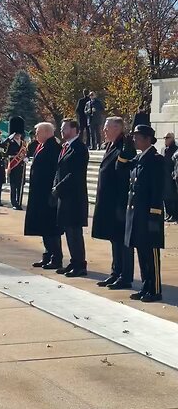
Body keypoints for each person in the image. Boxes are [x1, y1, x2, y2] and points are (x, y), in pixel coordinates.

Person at [117, 125, 165, 302]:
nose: (135, 140)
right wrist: (126, 150)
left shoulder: (156, 159)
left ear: (146, 139)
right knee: (141, 252)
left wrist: (154, 215)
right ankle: (146, 286)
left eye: (137, 137)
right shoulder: (138, 158)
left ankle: (155, 289)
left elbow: (157, 190)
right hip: (136, 214)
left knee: (151, 254)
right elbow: (119, 169)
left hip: (148, 215)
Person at [92, 117, 135, 289]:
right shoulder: (111, 145)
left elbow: (124, 176)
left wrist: (120, 205)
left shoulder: (124, 147)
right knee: (114, 239)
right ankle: (115, 272)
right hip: (109, 202)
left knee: (122, 242)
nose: (104, 131)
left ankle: (125, 277)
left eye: (107, 128)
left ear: (117, 128)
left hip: (119, 203)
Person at [51, 119, 89, 277]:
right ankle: (74, 262)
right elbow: (59, 170)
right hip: (64, 197)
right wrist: (55, 184)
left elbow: (75, 174)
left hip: (74, 197)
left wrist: (59, 187)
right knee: (68, 231)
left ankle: (80, 265)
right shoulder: (65, 147)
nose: (61, 131)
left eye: (64, 128)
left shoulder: (79, 148)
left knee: (75, 232)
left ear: (74, 130)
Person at [24, 122, 62, 269]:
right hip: (39, 192)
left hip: (47, 193)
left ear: (46, 132)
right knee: (43, 227)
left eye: (38, 132)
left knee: (50, 227)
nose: (36, 135)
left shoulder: (53, 148)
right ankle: (47, 255)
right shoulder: (42, 145)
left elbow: (53, 171)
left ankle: (56, 257)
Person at [0, 116, 27, 210]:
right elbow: (2, 146)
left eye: (19, 133)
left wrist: (25, 158)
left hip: (21, 166)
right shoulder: (9, 142)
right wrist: (8, 138)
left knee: (20, 185)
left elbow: (26, 152)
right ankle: (14, 203)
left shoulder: (23, 143)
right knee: (13, 186)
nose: (18, 135)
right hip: (13, 165)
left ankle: (19, 202)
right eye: (16, 133)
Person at [161, 133, 178, 222]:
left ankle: (174, 215)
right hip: (164, 175)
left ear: (172, 138)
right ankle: (168, 214)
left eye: (168, 138)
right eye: (165, 138)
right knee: (165, 196)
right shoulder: (163, 149)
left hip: (172, 176)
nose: (166, 140)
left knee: (173, 197)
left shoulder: (175, 150)